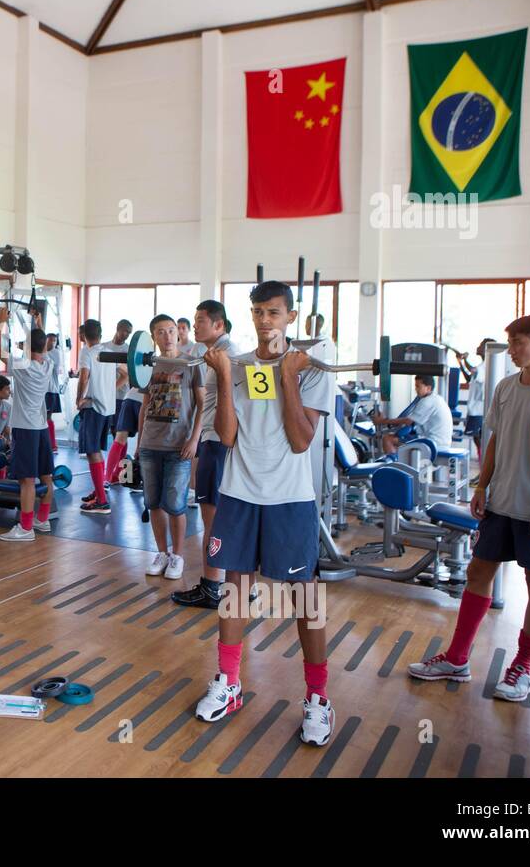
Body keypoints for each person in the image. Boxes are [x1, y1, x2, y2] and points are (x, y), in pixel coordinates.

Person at [409, 315, 530, 702]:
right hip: (502, 504)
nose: (511, 351)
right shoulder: (506, 388)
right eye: (510, 344)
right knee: (478, 573)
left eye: (518, 343)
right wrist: (482, 485)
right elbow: (493, 442)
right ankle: (457, 658)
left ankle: (522, 666)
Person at [194, 281, 336, 748]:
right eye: (257, 312)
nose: (263, 321)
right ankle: (230, 682)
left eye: (273, 313)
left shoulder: (312, 369)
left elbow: (300, 440)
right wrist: (221, 378)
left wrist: (288, 377)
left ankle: (318, 698)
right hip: (239, 491)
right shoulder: (236, 366)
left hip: (290, 497)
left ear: (290, 318)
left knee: (304, 598)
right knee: (234, 591)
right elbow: (228, 435)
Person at [174, 300, 237, 608]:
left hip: (217, 443)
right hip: (216, 443)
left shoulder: (227, 356)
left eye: (200, 320)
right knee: (218, 518)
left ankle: (213, 586)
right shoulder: (213, 354)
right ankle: (231, 585)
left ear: (218, 325)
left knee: (212, 520)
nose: (195, 325)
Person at [136, 314, 203, 579]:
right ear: (153, 337)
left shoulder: (191, 363)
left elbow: (202, 403)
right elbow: (144, 406)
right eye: (161, 332)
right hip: (151, 444)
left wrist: (194, 439)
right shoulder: (148, 365)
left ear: (178, 333)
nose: (167, 336)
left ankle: (177, 556)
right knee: (153, 503)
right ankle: (162, 553)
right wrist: (139, 441)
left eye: (171, 331)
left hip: (179, 446)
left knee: (175, 504)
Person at [0, 309, 55, 543]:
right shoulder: (47, 364)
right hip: (40, 427)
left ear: (28, 347)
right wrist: (38, 324)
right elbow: (43, 346)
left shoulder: (24, 366)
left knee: (27, 480)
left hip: (25, 429)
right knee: (46, 476)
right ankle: (42, 519)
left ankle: (27, 528)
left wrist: (1, 322)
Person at [75, 319, 116, 515]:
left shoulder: (87, 352)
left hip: (92, 407)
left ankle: (101, 500)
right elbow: (125, 373)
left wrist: (78, 399)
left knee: (92, 453)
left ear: (83, 336)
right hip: (106, 408)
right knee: (96, 451)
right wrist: (109, 390)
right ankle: (99, 491)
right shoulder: (107, 352)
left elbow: (83, 377)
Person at [371, 373, 453, 453]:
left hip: (434, 443)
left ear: (428, 388)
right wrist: (389, 421)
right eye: (415, 386)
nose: (416, 389)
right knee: (398, 440)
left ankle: (395, 466)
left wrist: (382, 421)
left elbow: (408, 421)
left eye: (418, 387)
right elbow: (410, 420)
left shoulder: (427, 401)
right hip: (440, 442)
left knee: (387, 439)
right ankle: (402, 464)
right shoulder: (436, 398)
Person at [100, 320, 134, 478]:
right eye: (125, 331)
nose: (126, 335)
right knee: (112, 433)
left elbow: (127, 376)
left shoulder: (128, 350)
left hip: (122, 396)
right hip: (106, 398)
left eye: (129, 332)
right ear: (118, 328)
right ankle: (113, 472)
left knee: (120, 433)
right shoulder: (105, 347)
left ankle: (121, 474)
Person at [45, 333, 65, 453]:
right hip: (41, 390)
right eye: (50, 340)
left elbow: (55, 369)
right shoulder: (42, 352)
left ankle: (52, 445)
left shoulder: (56, 353)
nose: (52, 342)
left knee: (47, 417)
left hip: (50, 390)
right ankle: (47, 444)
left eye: (54, 340)